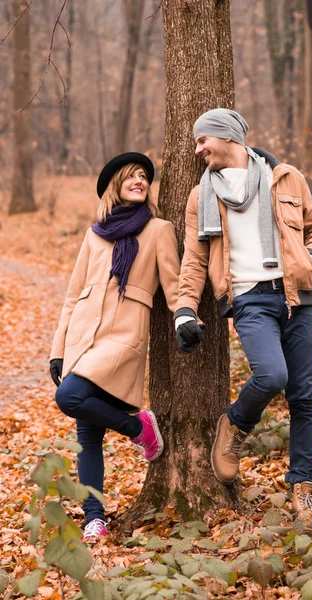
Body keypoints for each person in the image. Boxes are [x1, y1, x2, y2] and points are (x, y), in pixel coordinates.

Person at [174, 109, 312, 518]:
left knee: (304, 396)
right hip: (249, 299)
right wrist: (185, 309)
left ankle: (303, 488)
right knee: (272, 375)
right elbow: (194, 260)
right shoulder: (201, 197)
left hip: (299, 296)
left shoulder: (286, 178)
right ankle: (236, 424)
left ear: (227, 137)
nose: (198, 150)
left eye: (202, 140)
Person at [50, 152, 180, 542]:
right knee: (87, 437)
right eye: (131, 177)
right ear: (116, 186)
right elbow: (73, 295)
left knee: (68, 396)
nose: (140, 181)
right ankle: (95, 518)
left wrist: (185, 316)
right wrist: (59, 347)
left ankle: (137, 426)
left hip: (123, 338)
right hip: (82, 337)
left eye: (144, 176)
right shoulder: (95, 233)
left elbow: (173, 285)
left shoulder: (159, 229)